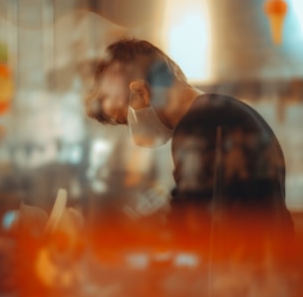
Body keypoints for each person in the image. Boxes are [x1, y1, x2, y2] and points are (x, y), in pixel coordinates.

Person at [85, 38, 294, 254]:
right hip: (267, 271)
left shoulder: (199, 124)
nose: (132, 131)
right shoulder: (227, 110)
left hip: (247, 276)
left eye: (126, 119)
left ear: (141, 92)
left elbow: (188, 228)